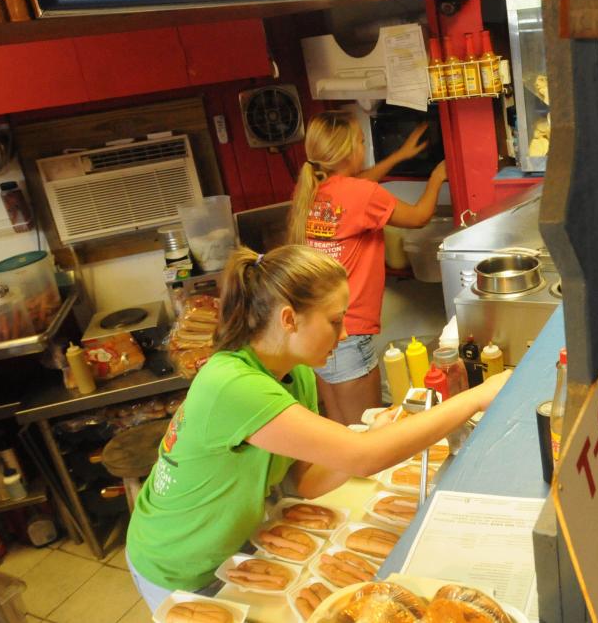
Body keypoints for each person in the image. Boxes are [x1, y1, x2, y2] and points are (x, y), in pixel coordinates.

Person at [125, 245, 508, 612]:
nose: (343, 335)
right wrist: (475, 398)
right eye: (335, 320)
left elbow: (306, 479)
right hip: (177, 559)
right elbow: (364, 459)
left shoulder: (295, 373)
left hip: (231, 546)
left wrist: (373, 436)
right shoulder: (231, 383)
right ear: (289, 319)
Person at [287, 111, 448, 426]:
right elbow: (418, 217)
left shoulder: (312, 193)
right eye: (361, 141)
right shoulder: (362, 195)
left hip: (317, 330)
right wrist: (437, 177)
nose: (364, 147)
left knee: (341, 430)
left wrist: (400, 156)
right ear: (350, 151)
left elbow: (357, 185)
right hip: (349, 330)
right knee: (369, 433)